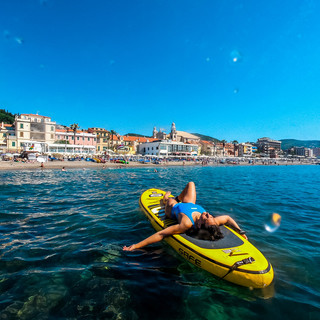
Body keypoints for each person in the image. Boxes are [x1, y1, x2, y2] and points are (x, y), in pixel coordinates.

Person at [123, 182, 247, 251]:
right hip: (189, 204)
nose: (208, 214)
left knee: (170, 201)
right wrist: (240, 231)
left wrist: (135, 246)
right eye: (210, 216)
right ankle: (178, 197)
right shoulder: (213, 221)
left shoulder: (187, 224)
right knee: (191, 184)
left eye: (207, 217)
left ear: (199, 225)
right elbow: (227, 218)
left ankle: (166, 198)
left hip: (173, 210)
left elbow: (161, 234)